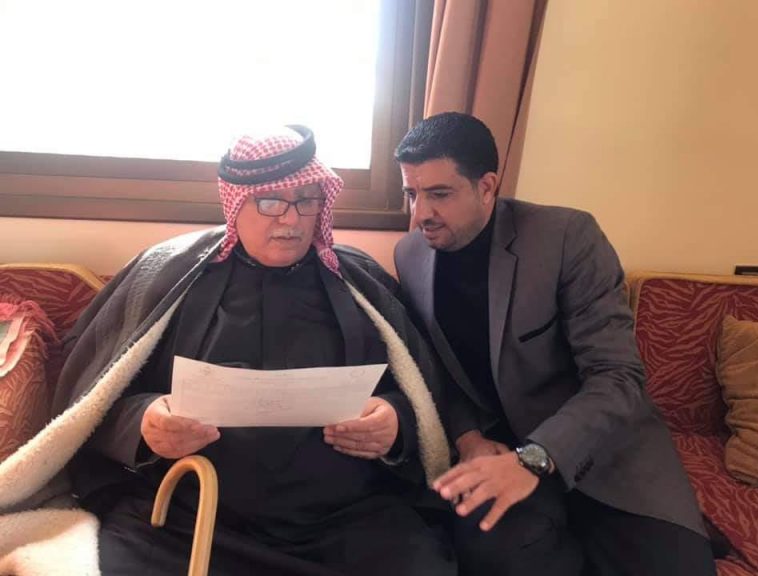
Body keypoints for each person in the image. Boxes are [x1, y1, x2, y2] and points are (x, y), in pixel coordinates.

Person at [2, 126, 457, 575]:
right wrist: (143, 425)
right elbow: (89, 400)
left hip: (346, 523)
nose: (292, 220)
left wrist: (396, 423)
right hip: (188, 519)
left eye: (306, 200)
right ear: (235, 202)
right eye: (271, 202)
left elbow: (423, 396)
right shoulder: (165, 276)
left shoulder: (361, 282)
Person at [393, 112, 717, 576]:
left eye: (439, 194)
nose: (420, 214)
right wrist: (469, 439)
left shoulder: (565, 238)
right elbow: (435, 369)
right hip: (497, 452)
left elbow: (618, 376)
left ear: (487, 186)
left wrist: (536, 457)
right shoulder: (410, 256)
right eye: (412, 193)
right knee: (492, 558)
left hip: (603, 451)